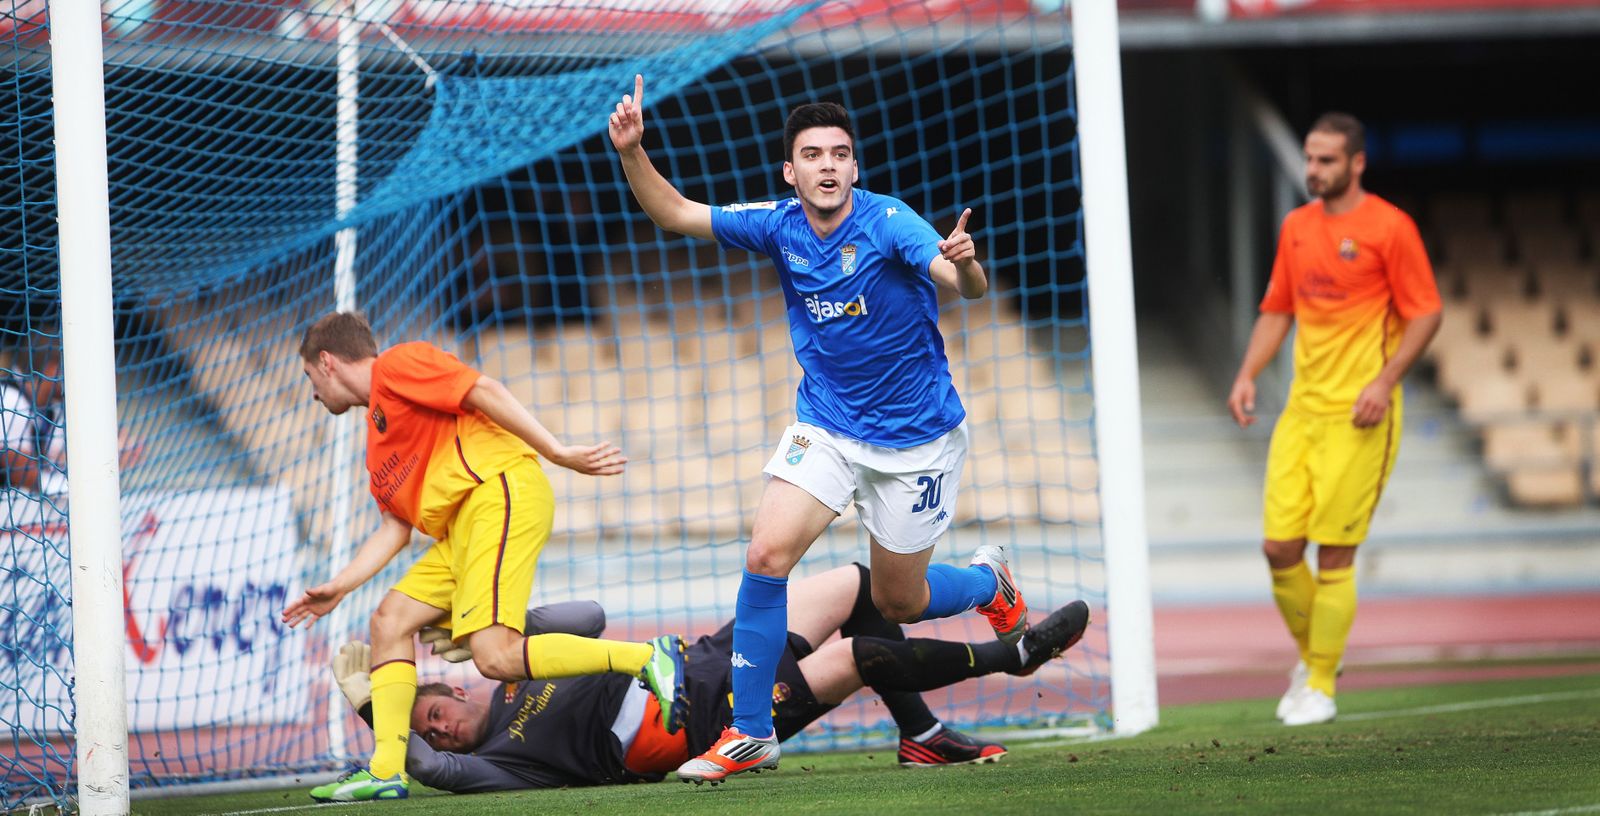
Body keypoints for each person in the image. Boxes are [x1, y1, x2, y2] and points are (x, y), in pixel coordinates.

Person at [607, 75, 1028, 783]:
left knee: (901, 601)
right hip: (827, 426)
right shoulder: (778, 225)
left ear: (854, 168)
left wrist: (969, 266)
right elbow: (676, 212)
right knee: (767, 554)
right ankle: (749, 732)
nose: (828, 165)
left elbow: (960, 284)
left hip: (916, 441)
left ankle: (989, 585)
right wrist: (631, 152)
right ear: (790, 170)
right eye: (813, 154)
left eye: (839, 153)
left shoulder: (890, 221)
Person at [282, 313, 688, 802]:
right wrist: (339, 585)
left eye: (309, 378)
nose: (312, 393)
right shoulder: (376, 444)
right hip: (460, 529)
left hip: (497, 491)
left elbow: (483, 389)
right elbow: (395, 527)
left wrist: (556, 452)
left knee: (494, 656)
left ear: (326, 362)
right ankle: (386, 769)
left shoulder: (397, 365)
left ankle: (647, 657)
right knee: (389, 621)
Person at [329, 565, 1092, 792]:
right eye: (425, 728)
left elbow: (589, 613)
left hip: (704, 657)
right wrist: (374, 706)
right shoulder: (490, 763)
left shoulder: (508, 679)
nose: (434, 729)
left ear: (452, 689)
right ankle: (1012, 657)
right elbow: (424, 766)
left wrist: (495, 626)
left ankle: (920, 735)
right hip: (702, 724)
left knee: (858, 586)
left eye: (429, 711)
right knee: (858, 659)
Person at [1227, 112, 1442, 727]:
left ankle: (1319, 682)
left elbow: (1426, 313)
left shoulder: (1390, 228)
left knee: (1335, 557)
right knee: (1277, 547)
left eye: (1326, 160)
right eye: (1310, 158)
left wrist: (1384, 382)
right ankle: (1317, 657)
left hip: (1361, 416)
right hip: (1303, 410)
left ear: (1357, 163)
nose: (1313, 170)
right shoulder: (1297, 226)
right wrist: (1245, 373)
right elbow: (1277, 308)